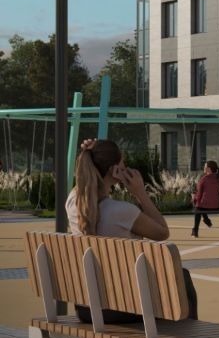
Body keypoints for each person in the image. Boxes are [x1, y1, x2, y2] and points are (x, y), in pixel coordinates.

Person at [67, 138, 198, 322]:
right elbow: (162, 232)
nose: (126, 167)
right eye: (123, 163)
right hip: (122, 306)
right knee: (182, 278)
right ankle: (189, 333)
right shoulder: (121, 212)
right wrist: (140, 193)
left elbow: (85, 181)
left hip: (86, 307)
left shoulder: (72, 202)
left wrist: (90, 153)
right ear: (115, 170)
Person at [190, 160, 219, 237]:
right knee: (201, 205)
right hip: (216, 206)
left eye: (205, 167)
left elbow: (199, 194)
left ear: (209, 169)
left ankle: (195, 230)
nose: (203, 168)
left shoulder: (204, 179)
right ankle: (206, 220)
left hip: (205, 205)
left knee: (198, 208)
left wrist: (193, 199)